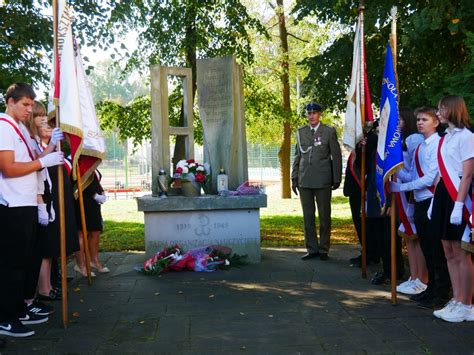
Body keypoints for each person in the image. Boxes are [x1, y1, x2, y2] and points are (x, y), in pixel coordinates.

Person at [0, 83, 64, 337]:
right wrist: (43, 161)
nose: (28, 110)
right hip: (12, 204)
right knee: (11, 264)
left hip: (26, 201)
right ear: (11, 101)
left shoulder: (19, 130)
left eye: (31, 104)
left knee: (24, 262)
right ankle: (5, 317)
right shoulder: (4, 127)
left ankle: (16, 310)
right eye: (24, 104)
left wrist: (50, 147)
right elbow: (8, 168)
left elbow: (33, 161)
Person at [430, 95, 474, 322]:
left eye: (441, 109)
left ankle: (467, 303)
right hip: (442, 195)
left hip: (458, 194)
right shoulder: (444, 138)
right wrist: (432, 202)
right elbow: (440, 171)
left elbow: (467, 174)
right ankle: (456, 299)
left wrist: (459, 204)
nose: (438, 113)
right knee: (448, 249)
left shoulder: (467, 137)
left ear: (453, 109)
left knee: (462, 252)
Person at [291, 102, 342, 260]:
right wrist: (294, 178)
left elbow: (336, 156)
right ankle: (312, 248)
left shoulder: (328, 132)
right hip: (304, 179)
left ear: (320, 114)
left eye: (314, 113)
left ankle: (324, 249)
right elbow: (297, 156)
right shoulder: (301, 132)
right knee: (308, 217)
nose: (311, 116)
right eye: (309, 113)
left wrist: (336, 178)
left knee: (324, 216)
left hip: (323, 180)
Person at [392, 108, 428, 295]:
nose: (397, 124)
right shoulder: (401, 140)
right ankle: (414, 277)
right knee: (408, 237)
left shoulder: (414, 140)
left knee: (416, 238)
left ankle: (421, 279)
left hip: (413, 192)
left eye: (400, 120)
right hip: (404, 192)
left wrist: (398, 173)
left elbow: (415, 172)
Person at [75, 169, 109, 275]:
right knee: (82, 233)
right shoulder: (79, 164)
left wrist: (100, 194)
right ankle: (80, 265)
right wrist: (95, 195)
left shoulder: (93, 166)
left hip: (94, 204)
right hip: (83, 202)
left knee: (95, 232)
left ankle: (94, 261)